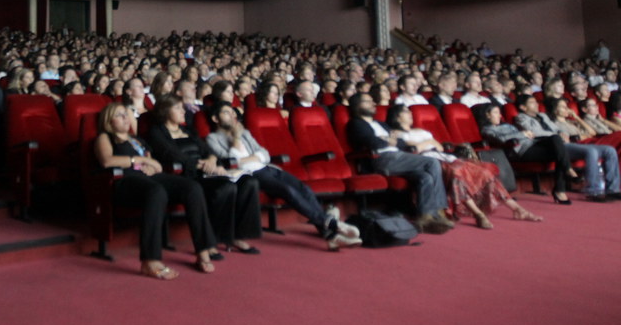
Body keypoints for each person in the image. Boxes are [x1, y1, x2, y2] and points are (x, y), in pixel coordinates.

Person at [206, 102, 361, 251]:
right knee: (288, 190)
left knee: (304, 189)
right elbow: (232, 161)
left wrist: (252, 154)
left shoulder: (245, 133)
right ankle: (332, 224)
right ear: (215, 118)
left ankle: (330, 234)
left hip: (268, 168)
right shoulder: (213, 138)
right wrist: (237, 139)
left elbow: (264, 154)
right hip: (250, 175)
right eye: (226, 113)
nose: (232, 116)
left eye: (233, 112)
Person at [94, 102, 218, 279]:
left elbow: (155, 164)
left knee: (192, 187)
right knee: (156, 191)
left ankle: (203, 249)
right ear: (108, 121)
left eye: (125, 114)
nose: (125, 118)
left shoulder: (137, 140)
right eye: (119, 115)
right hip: (124, 180)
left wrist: (152, 167)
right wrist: (137, 160)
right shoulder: (105, 138)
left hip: (149, 177)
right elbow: (107, 161)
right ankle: (150, 260)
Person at [385, 105, 541, 228]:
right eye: (406, 112)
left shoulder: (419, 130)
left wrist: (427, 143)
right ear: (397, 117)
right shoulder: (395, 134)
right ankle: (478, 214)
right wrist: (428, 143)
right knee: (457, 173)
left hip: (443, 156)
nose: (411, 114)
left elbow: (438, 146)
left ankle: (517, 209)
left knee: (485, 172)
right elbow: (414, 148)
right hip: (427, 161)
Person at [145, 95, 261, 255]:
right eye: (177, 108)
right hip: (187, 174)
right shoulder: (157, 132)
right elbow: (173, 155)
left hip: (207, 170)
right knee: (225, 187)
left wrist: (213, 161)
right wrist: (202, 165)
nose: (183, 111)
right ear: (165, 111)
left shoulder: (188, 130)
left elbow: (207, 151)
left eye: (182, 107)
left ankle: (238, 235)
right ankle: (213, 239)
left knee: (249, 182)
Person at [346, 93, 453, 233]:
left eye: (373, 101)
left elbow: (400, 141)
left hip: (398, 156)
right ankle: (439, 211)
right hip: (381, 159)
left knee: (424, 177)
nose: (373, 104)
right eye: (367, 101)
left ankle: (424, 217)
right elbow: (371, 142)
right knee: (432, 163)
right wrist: (387, 140)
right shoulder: (356, 124)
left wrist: (390, 139)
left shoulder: (380, 124)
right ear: (357, 106)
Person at [515, 95, 621, 202]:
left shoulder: (543, 116)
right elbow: (535, 133)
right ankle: (594, 191)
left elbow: (558, 129)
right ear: (523, 107)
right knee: (591, 151)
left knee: (609, 150)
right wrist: (556, 135)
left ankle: (613, 189)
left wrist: (563, 134)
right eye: (532, 102)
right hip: (548, 146)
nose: (537, 104)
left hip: (562, 142)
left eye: (536, 101)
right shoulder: (521, 117)